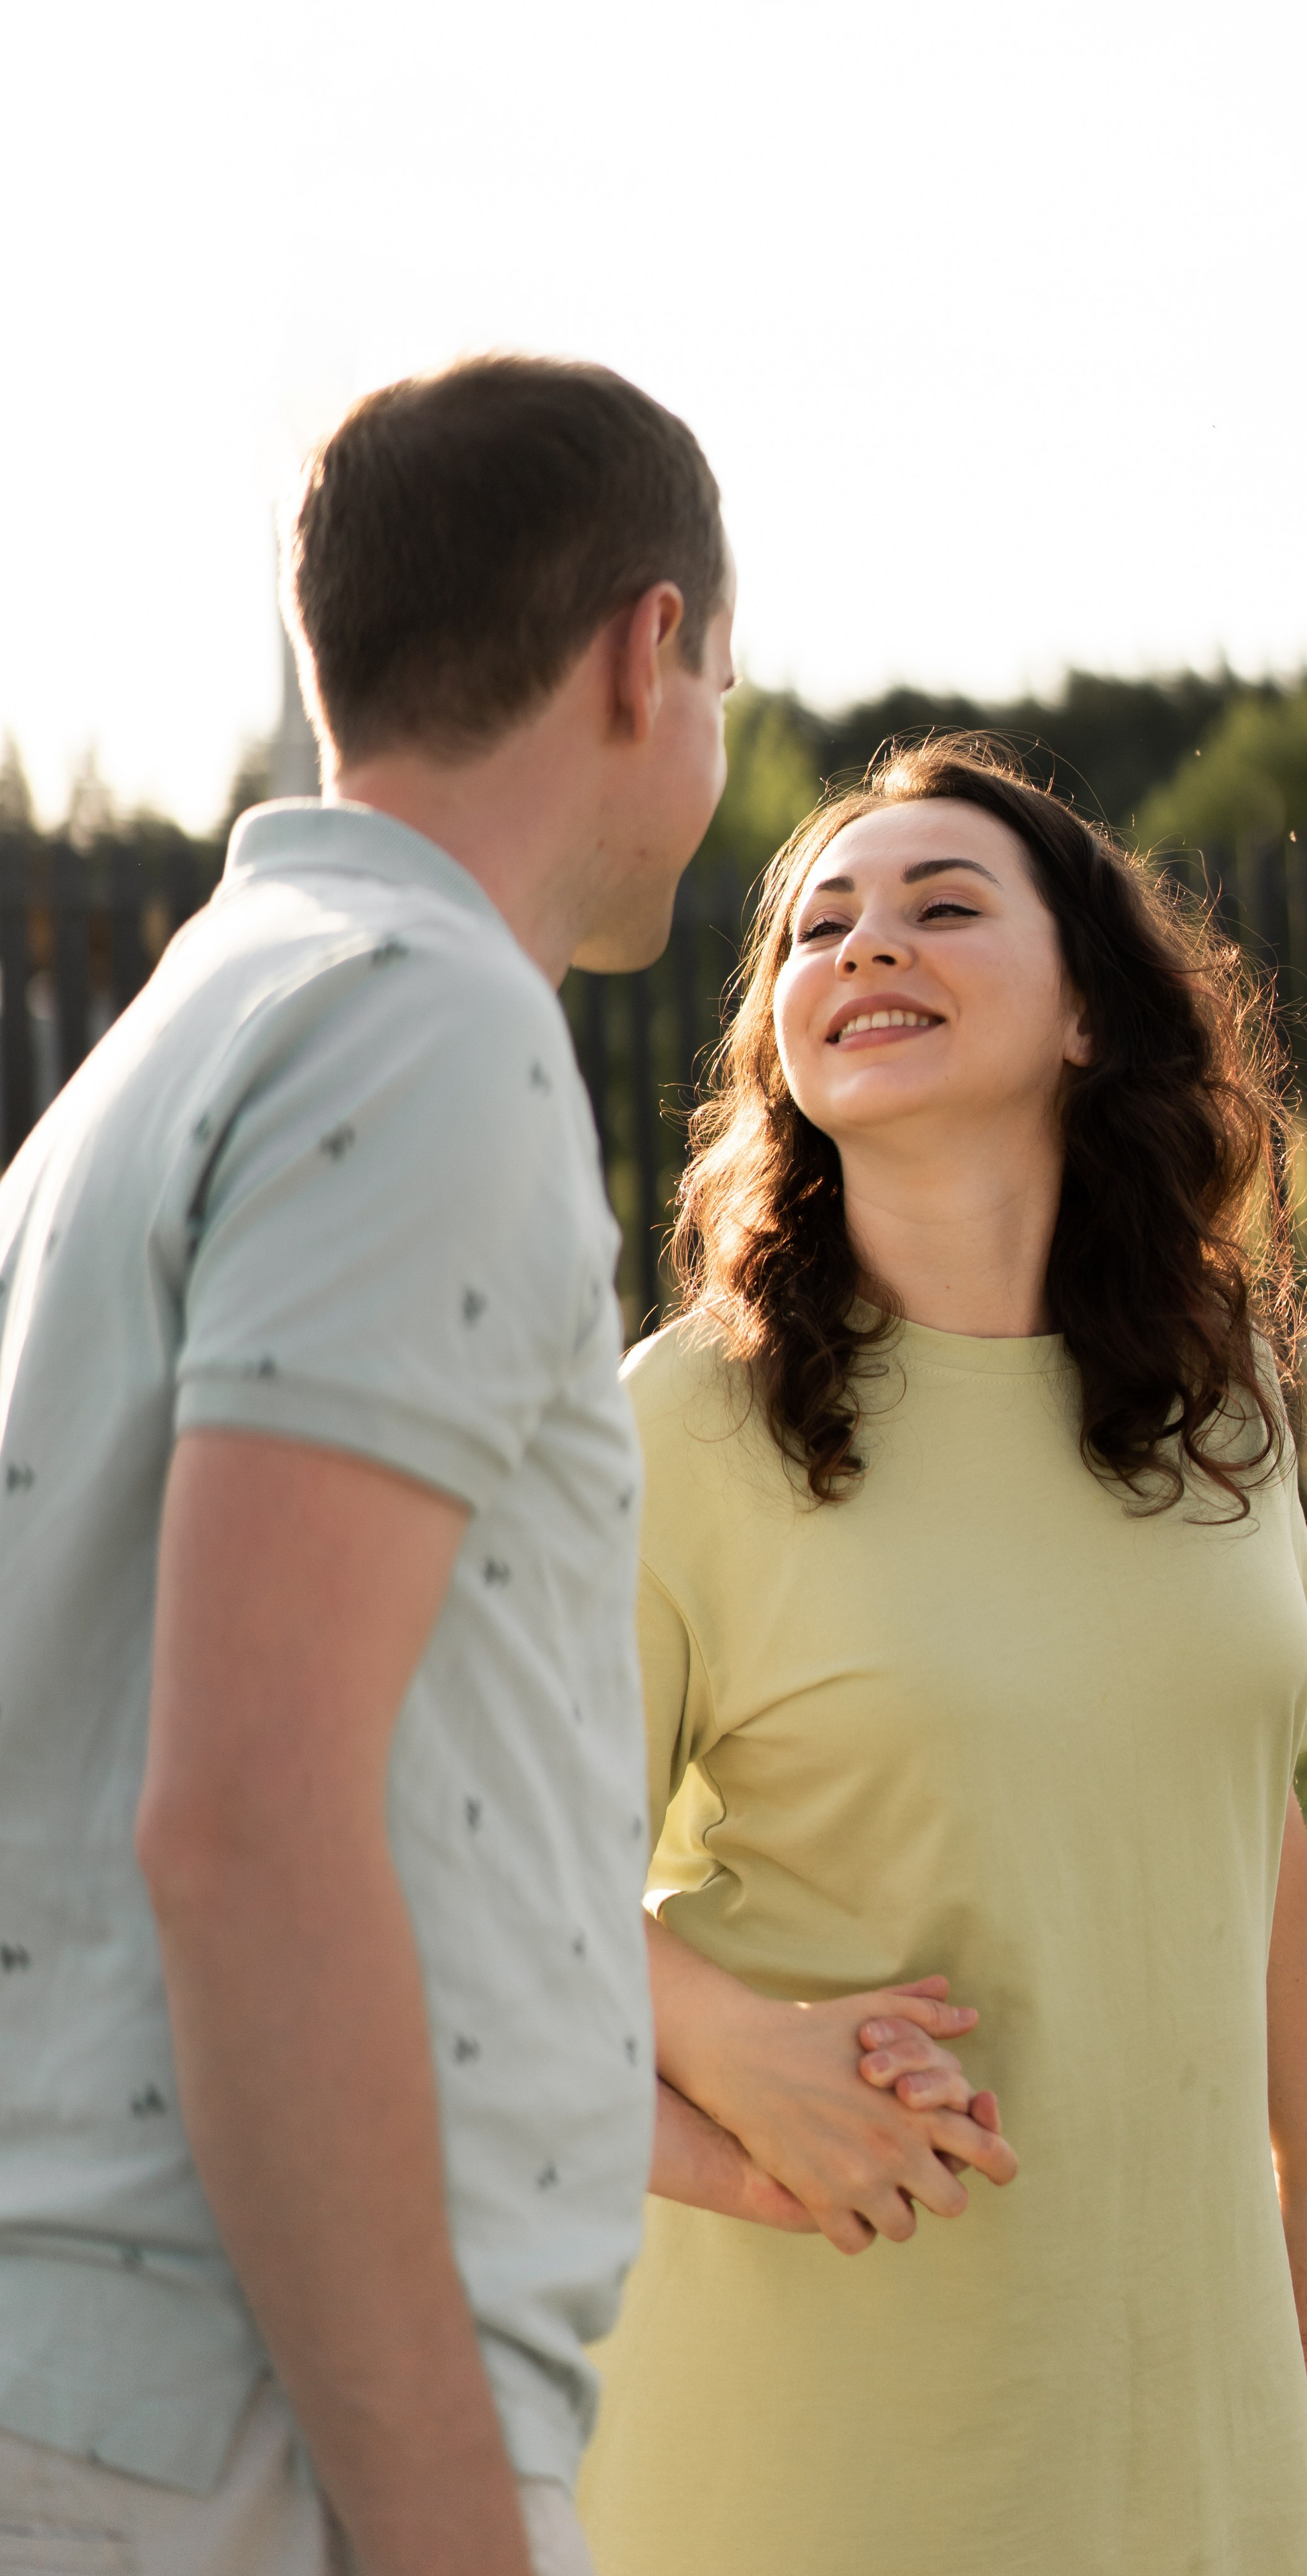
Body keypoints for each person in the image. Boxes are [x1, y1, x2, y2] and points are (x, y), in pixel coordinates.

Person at [0, 353, 764, 2576]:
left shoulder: (190, 1030)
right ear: (644, 654)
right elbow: (247, 1821)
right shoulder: (426, 1025)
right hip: (253, 2429)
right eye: (725, 680)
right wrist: (446, 2522)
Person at [577, 735, 1307, 2576]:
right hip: (818, 2361)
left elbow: (1244, 1805)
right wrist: (737, 2046)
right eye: (820, 927)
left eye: (944, 906)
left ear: (1089, 1013)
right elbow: (485, 1892)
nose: (866, 945)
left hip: (1171, 2334)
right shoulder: (684, 1425)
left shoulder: (1222, 1403)